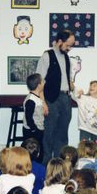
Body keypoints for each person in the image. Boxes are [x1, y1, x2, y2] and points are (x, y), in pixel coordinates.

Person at [36, 29, 75, 164]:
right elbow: (39, 81)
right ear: (59, 42)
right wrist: (43, 103)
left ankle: (60, 164)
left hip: (65, 98)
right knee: (49, 134)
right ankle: (46, 165)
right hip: (51, 99)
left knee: (63, 134)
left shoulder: (66, 57)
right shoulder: (47, 56)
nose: (69, 48)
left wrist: (73, 88)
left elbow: (67, 79)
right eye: (67, 45)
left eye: (71, 45)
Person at [23, 73, 45, 153]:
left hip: (38, 130)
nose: (44, 83)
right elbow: (28, 117)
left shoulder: (36, 98)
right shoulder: (31, 100)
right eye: (42, 81)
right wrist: (34, 130)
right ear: (39, 85)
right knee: (34, 153)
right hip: (33, 133)